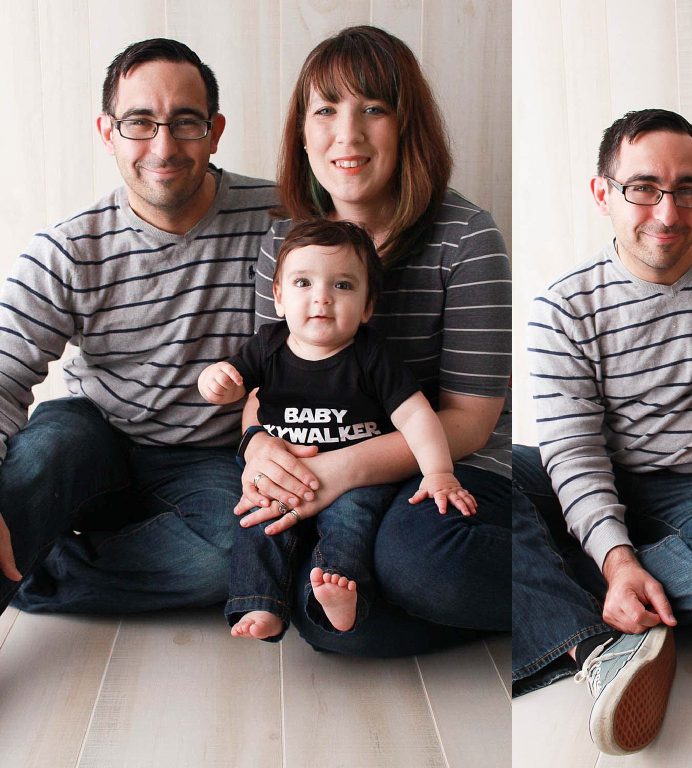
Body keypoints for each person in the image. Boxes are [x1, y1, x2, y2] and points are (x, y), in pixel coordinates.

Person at [512, 108, 692, 755]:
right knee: (488, 476)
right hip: (602, 470)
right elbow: (572, 450)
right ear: (603, 193)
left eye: (686, 189)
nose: (667, 212)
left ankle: (545, 597)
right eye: (643, 188)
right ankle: (603, 633)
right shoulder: (563, 306)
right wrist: (616, 555)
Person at [235, 26, 511, 656]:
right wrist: (258, 449)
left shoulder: (466, 238)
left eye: (374, 110)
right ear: (302, 133)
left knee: (418, 558)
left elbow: (468, 423)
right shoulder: (285, 244)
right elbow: (264, 380)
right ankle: (346, 607)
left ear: (407, 127)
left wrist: (335, 472)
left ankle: (551, 571)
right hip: (320, 469)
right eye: (326, 110)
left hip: (450, 470)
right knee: (310, 603)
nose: (347, 135)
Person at [0, 38, 277, 614]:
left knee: (231, 557)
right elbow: (2, 375)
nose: (164, 145)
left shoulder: (279, 220)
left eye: (185, 123)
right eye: (140, 122)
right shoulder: (68, 247)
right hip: (92, 435)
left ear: (215, 130)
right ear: (108, 132)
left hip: (208, 458)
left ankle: (37, 569)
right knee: (34, 465)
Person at [199, 219, 476, 640]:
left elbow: (418, 417)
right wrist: (215, 383)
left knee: (351, 526)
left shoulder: (372, 357)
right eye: (303, 283)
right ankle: (259, 602)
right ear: (278, 297)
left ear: (367, 307)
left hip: (356, 485)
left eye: (342, 286)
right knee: (257, 525)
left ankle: (337, 595)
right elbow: (233, 387)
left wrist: (438, 472)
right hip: (282, 472)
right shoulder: (267, 345)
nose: (322, 298)